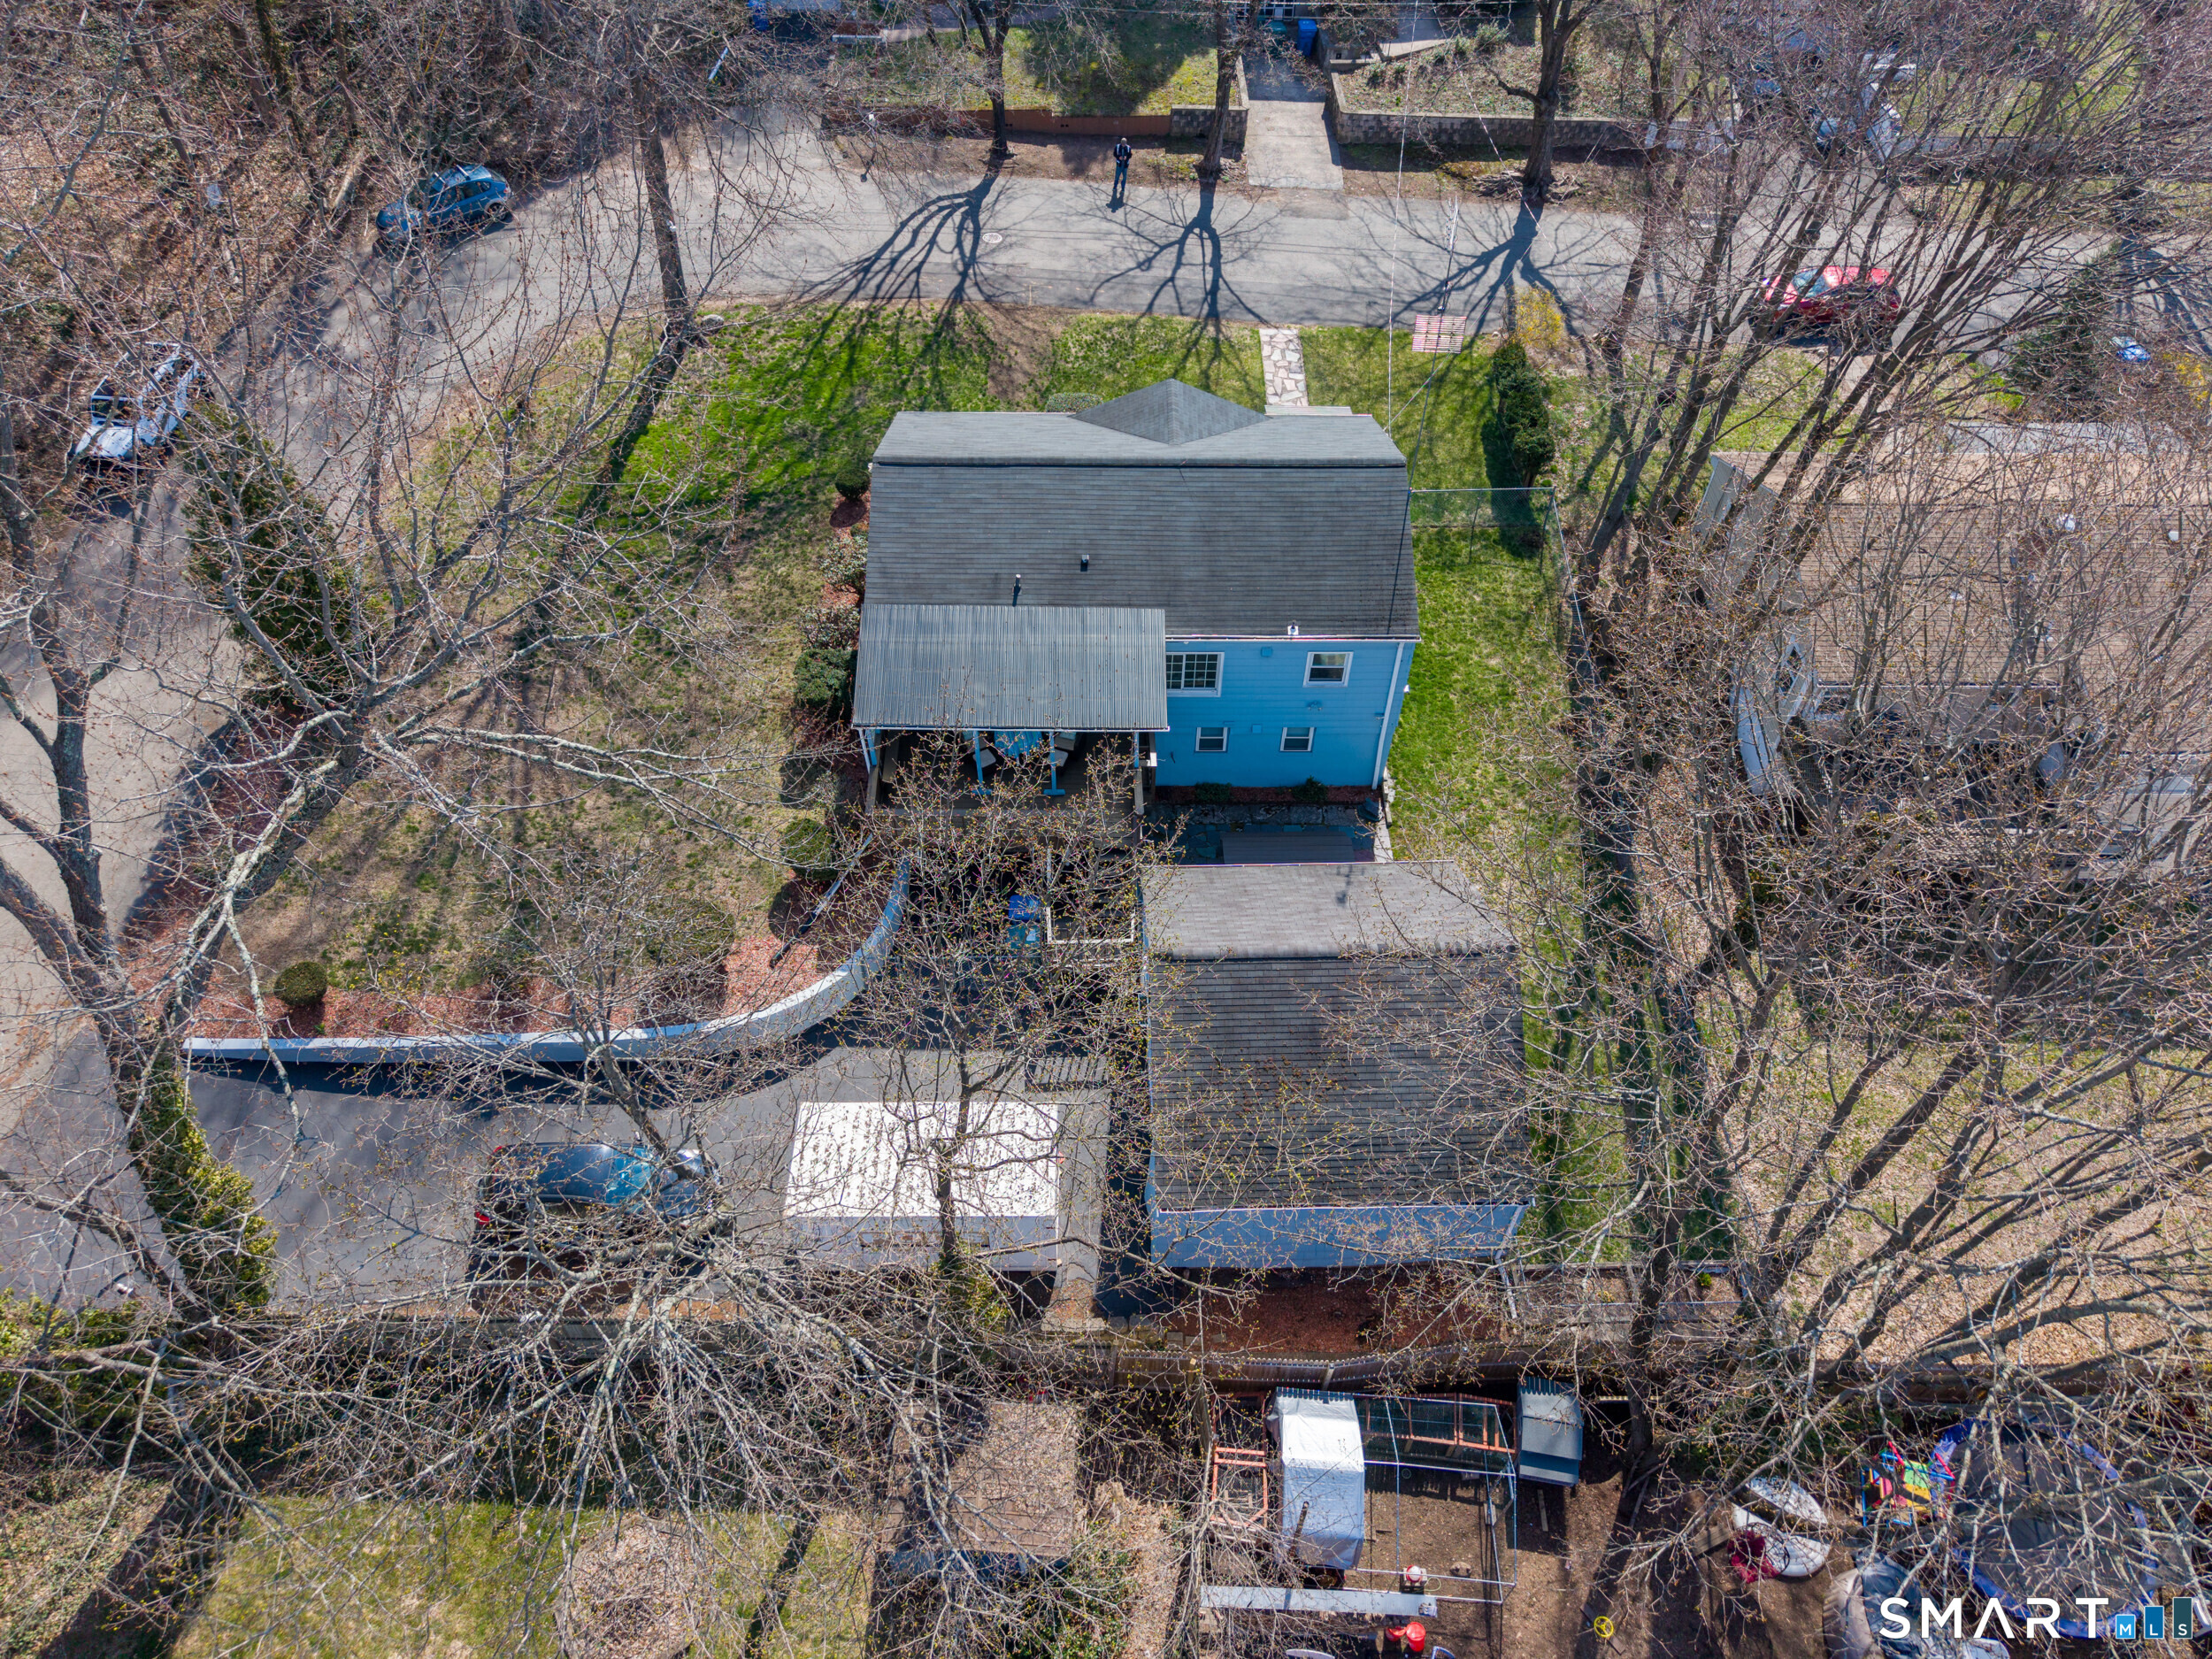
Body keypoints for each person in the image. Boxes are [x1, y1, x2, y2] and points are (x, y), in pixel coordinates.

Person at [1111, 135, 1133, 204]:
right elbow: (1114, 154)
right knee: (1117, 176)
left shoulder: (1128, 148)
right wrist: (1118, 157)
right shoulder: (1117, 147)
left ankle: (1123, 188)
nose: (1123, 145)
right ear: (1121, 143)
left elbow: (1130, 155)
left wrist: (1127, 157)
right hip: (1119, 165)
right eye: (1122, 143)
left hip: (1125, 165)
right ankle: (1115, 186)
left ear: (1126, 143)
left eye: (1124, 144)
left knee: (1124, 177)